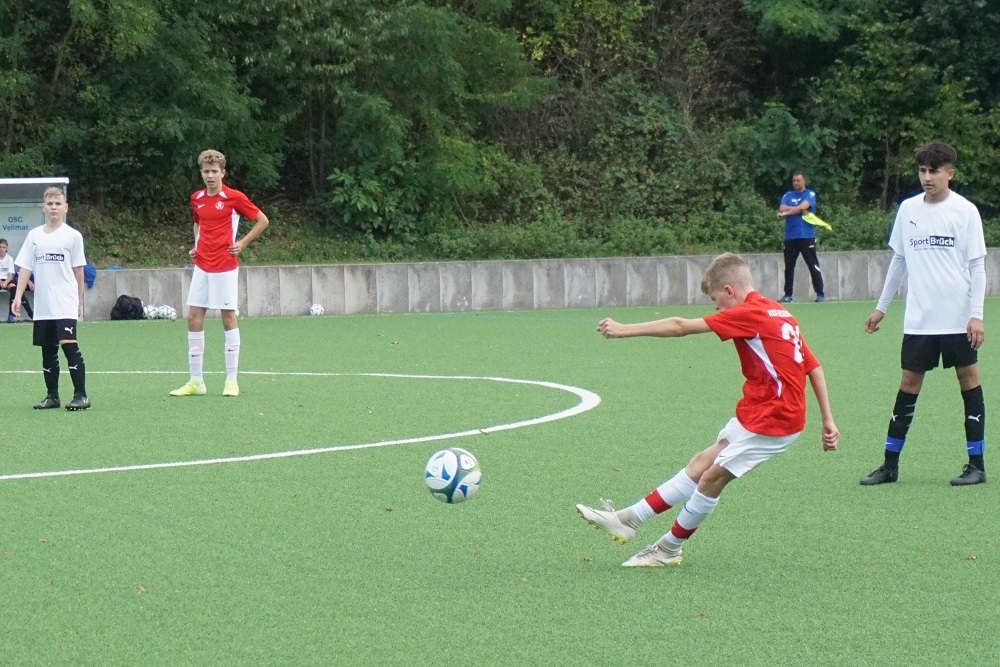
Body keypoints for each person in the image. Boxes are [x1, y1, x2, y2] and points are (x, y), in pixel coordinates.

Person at [576, 253, 839, 567]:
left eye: (715, 299)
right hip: (758, 411)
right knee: (701, 463)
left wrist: (624, 329)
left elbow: (680, 326)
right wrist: (828, 420)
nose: (716, 307)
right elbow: (814, 367)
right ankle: (628, 520)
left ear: (729, 290)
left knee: (712, 478)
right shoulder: (779, 312)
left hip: (776, 420)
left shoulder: (749, 313)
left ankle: (668, 549)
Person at [861, 141, 987, 486]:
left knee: (969, 381)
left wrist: (976, 314)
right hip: (919, 319)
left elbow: (978, 267)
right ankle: (889, 465)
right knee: (908, 384)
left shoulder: (965, 211)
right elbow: (899, 261)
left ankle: (976, 465)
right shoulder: (907, 210)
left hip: (957, 318)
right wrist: (881, 308)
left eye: (934, 171)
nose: (927, 177)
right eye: (922, 170)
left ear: (950, 173)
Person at [169, 149, 270, 398]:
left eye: (215, 171)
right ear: (201, 173)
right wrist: (196, 245)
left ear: (223, 172)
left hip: (225, 266)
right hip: (202, 266)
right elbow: (198, 223)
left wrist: (242, 243)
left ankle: (231, 381)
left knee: (227, 317)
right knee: (193, 317)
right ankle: (196, 382)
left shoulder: (234, 197)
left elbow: (262, 220)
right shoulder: (197, 198)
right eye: (206, 171)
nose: (210, 176)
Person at [11, 188, 90, 410]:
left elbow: (79, 272)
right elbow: (25, 268)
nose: (54, 207)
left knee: (68, 344)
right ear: (43, 207)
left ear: (66, 207)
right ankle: (52, 396)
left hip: (64, 302)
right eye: (50, 204)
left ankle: (81, 395)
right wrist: (18, 296)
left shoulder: (73, 236)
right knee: (47, 349)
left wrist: (78, 300)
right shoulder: (34, 236)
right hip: (43, 304)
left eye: (58, 204)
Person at [777, 172, 825, 302]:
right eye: (794, 181)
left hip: (806, 236)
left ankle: (820, 294)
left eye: (798, 180)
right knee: (789, 267)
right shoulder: (788, 195)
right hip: (790, 237)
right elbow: (782, 208)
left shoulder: (810, 194)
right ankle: (788, 295)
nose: (795, 183)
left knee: (812, 264)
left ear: (804, 181)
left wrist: (787, 212)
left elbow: (801, 208)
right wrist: (796, 209)